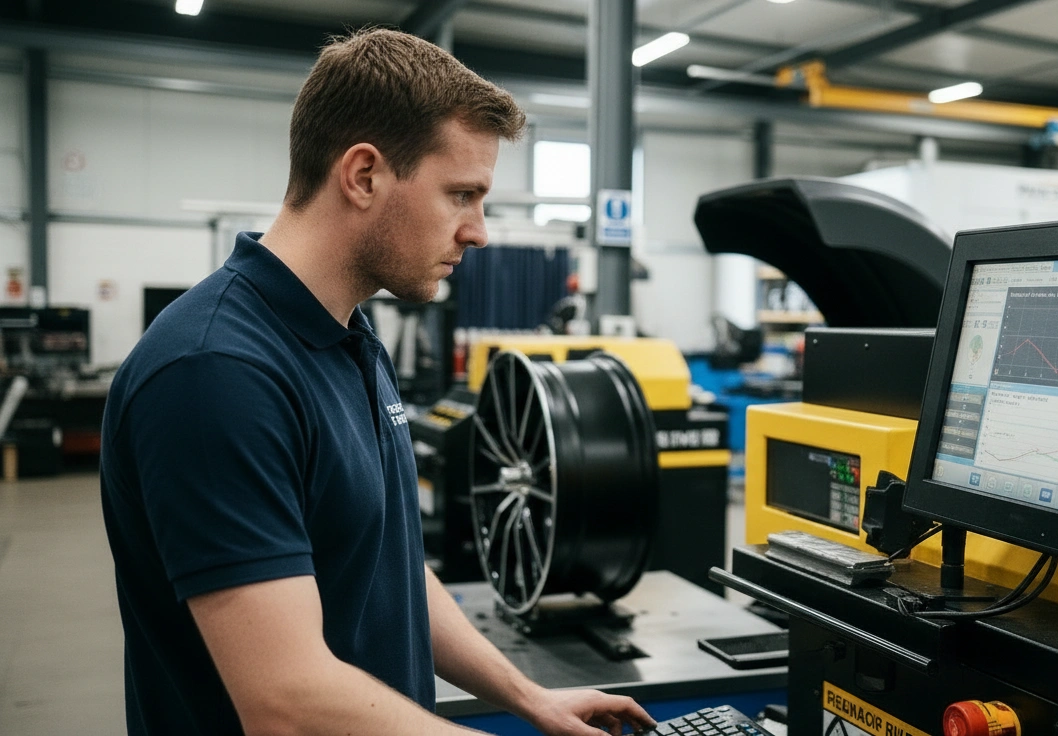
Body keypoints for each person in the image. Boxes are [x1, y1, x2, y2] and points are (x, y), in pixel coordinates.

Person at [100, 28, 656, 736]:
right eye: (462, 194)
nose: (479, 231)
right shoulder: (215, 373)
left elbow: (385, 560)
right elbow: (286, 702)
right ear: (363, 175)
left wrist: (529, 697)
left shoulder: (351, 335)